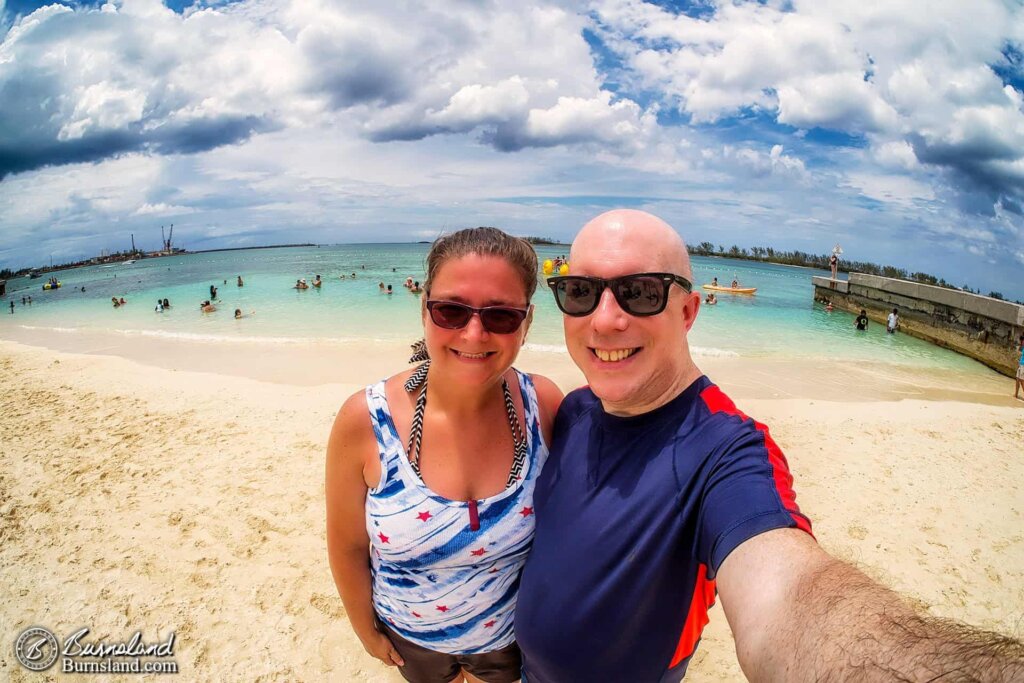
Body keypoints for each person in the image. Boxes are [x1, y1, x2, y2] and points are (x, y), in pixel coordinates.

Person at [515, 209, 1024, 682]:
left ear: (689, 311)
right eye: (580, 291)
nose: (604, 319)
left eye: (641, 292)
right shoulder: (577, 409)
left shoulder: (725, 449)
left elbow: (788, 595)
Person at [326, 227, 562, 683]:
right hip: (411, 643)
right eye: (451, 311)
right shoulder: (365, 420)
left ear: (527, 323)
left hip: (512, 645)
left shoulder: (545, 407)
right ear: (424, 310)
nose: (474, 334)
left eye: (501, 316)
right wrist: (363, 628)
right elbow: (348, 545)